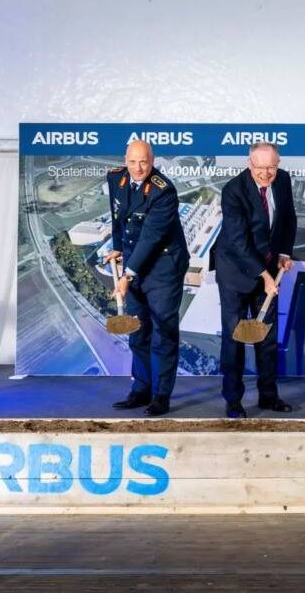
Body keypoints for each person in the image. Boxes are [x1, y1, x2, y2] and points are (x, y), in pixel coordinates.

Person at [212, 142, 297, 418]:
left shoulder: (283, 180)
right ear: (250, 165)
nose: (266, 174)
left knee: (267, 337)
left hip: (269, 268)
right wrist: (264, 276)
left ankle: (268, 397)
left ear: (279, 164)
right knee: (234, 339)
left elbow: (288, 219)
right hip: (236, 272)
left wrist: (284, 253)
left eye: (271, 167)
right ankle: (233, 400)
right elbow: (238, 241)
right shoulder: (233, 191)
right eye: (260, 168)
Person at [106, 140, 190, 417]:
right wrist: (118, 247)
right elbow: (118, 217)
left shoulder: (164, 192)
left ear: (152, 160)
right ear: (125, 159)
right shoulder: (116, 177)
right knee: (138, 331)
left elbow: (151, 238)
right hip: (134, 263)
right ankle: (140, 389)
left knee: (162, 333)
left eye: (144, 162)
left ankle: (160, 396)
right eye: (133, 161)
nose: (138, 168)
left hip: (163, 267)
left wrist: (128, 275)